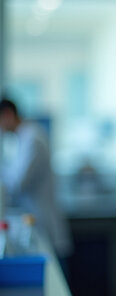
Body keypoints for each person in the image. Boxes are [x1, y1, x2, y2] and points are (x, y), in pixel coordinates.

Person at [0, 98, 72, 259]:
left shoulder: (33, 139)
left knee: (53, 276)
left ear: (7, 115)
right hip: (34, 223)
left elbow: (18, 183)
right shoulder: (22, 138)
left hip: (43, 223)